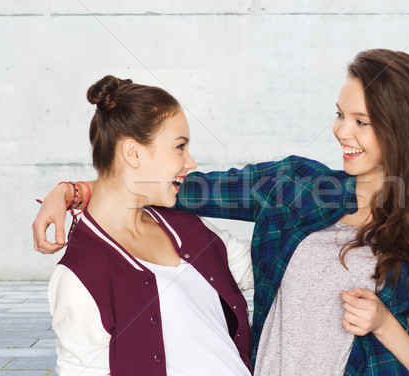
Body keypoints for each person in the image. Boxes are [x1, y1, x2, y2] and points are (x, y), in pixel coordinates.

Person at [34, 49, 409, 376]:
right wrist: (71, 191)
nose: (340, 131)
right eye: (339, 115)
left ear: (402, 129)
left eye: (360, 121)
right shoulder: (298, 187)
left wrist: (384, 323)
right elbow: (172, 185)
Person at [44, 75, 254, 376]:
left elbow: (260, 265)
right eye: (179, 147)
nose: (190, 162)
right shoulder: (81, 273)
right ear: (133, 152)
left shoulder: (185, 225)